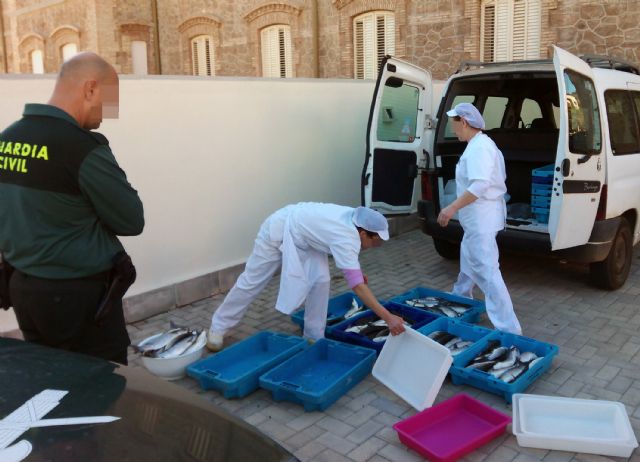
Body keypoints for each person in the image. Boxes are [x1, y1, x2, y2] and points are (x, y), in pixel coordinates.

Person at [0, 52, 144, 365]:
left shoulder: (6, 140)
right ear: (90, 89)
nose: (108, 113)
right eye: (109, 100)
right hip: (79, 298)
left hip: (23, 291)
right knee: (103, 380)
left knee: (51, 374)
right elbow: (131, 220)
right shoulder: (80, 147)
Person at [207, 202, 406, 351]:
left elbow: (350, 265)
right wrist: (388, 318)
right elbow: (357, 287)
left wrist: (358, 274)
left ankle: (313, 336)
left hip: (306, 239)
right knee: (252, 282)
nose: (375, 246)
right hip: (278, 230)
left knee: (321, 281)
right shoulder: (346, 237)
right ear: (363, 234)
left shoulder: (355, 220)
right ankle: (218, 327)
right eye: (376, 241)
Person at [436, 103, 521, 335]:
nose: (453, 129)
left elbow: (480, 185)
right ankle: (461, 297)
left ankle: (509, 328)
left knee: (487, 271)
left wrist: (451, 208)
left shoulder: (479, 149)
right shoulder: (480, 144)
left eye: (454, 124)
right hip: (478, 219)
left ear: (463, 122)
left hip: (481, 218)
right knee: (469, 257)